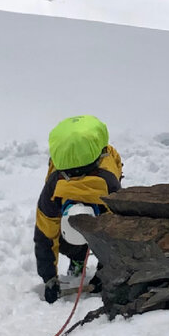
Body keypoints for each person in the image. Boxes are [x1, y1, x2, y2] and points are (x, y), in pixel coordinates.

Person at [34, 115, 123, 303]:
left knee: (108, 232)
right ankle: (78, 256)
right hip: (67, 188)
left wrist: (104, 273)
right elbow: (45, 235)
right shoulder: (53, 191)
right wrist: (49, 278)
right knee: (56, 233)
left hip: (100, 184)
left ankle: (80, 252)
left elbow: (117, 237)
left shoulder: (109, 189)